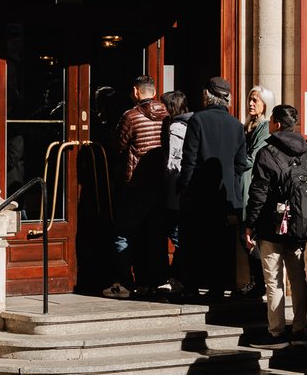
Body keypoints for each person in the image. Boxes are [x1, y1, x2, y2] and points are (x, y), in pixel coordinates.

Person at [244, 104, 307, 342]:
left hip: (271, 225)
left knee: (273, 280)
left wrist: (250, 224)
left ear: (276, 124)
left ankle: (276, 330)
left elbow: (258, 194)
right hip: (299, 225)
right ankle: (299, 326)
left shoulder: (266, 154)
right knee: (298, 278)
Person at [177, 78, 247, 299]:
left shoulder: (198, 120)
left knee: (194, 241)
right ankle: (217, 287)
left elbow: (189, 159)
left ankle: (192, 287)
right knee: (220, 244)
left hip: (199, 193)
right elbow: (241, 163)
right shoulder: (236, 125)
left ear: (208, 95)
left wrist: (185, 188)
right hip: (225, 195)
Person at [102, 75, 169, 298]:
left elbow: (118, 145)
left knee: (123, 234)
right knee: (155, 234)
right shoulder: (167, 115)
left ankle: (123, 283)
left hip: (136, 183)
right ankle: (155, 281)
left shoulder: (130, 116)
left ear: (135, 91)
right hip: (160, 181)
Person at [239, 86, 274, 296]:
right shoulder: (249, 125)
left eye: (256, 100)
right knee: (245, 236)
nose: (251, 103)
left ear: (265, 105)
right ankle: (255, 280)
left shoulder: (263, 127)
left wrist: (232, 159)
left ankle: (258, 282)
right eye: (250, 99)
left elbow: (254, 157)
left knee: (249, 237)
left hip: (252, 185)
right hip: (244, 183)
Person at [162, 88, 191, 258]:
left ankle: (185, 265)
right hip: (187, 183)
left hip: (176, 185)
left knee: (173, 228)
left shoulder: (175, 128)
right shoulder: (193, 122)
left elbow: (173, 159)